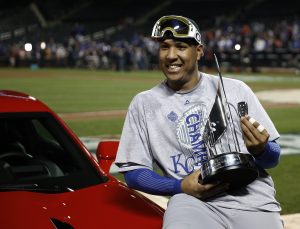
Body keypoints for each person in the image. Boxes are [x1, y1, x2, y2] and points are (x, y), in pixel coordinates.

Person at [115, 15, 283, 229]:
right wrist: (180, 186)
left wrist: (262, 149)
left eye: (181, 46)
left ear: (199, 51)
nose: (171, 55)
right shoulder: (143, 103)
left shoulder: (235, 90)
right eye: (164, 47)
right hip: (191, 201)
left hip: (252, 198)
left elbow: (272, 158)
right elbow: (134, 173)